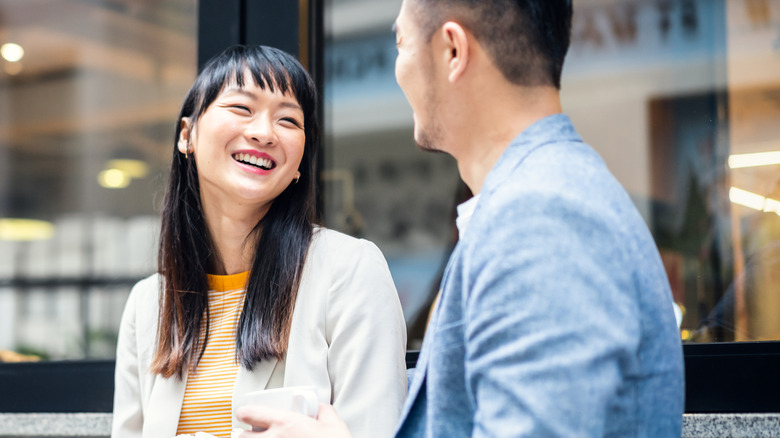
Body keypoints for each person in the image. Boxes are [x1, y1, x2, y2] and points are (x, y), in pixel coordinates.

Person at [237, 0, 685, 437]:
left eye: (401, 43)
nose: (399, 70)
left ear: (452, 51)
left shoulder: (541, 219)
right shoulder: (541, 200)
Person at [111, 45, 407, 438]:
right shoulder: (148, 306)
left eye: (288, 120)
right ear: (187, 135)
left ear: (300, 161)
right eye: (241, 108)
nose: (264, 133)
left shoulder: (349, 271)